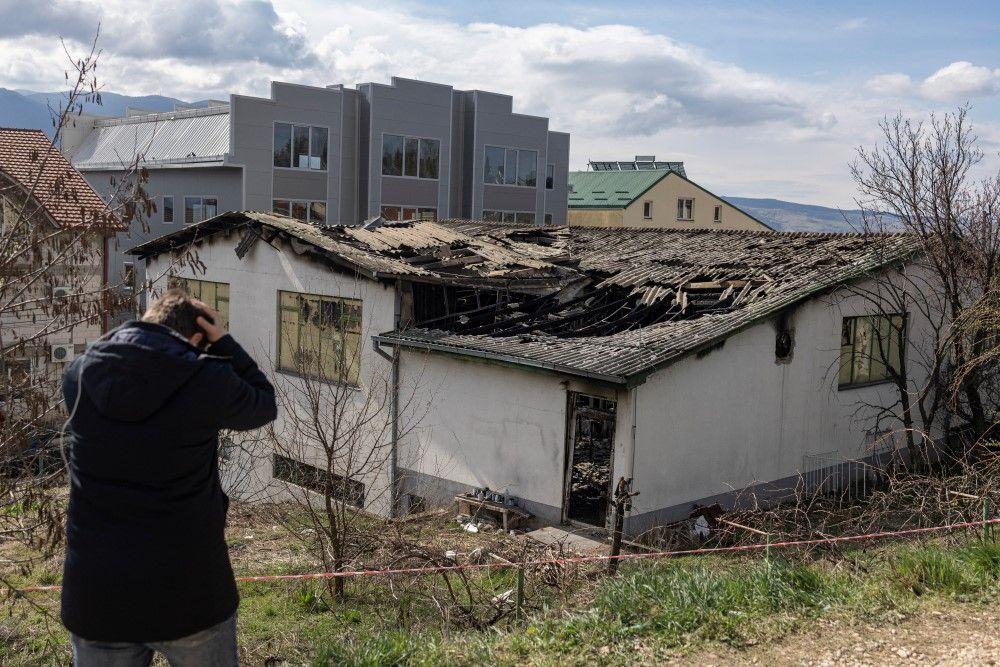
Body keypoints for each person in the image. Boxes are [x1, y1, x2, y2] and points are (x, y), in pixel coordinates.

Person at [61, 289, 277, 666]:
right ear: (197, 337)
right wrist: (223, 341)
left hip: (97, 593)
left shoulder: (78, 375)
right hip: (189, 590)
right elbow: (263, 404)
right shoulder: (205, 377)